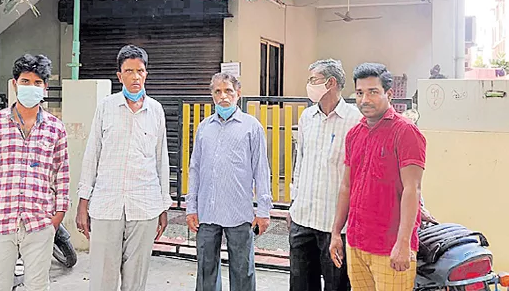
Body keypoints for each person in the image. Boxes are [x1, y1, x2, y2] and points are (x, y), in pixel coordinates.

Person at [0, 54, 70, 291]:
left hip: (39, 224)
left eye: (37, 83)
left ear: (45, 87)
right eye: (25, 81)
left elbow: (62, 174)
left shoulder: (55, 128)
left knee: (37, 287)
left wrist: (58, 215)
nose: (30, 87)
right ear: (15, 84)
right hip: (0, 223)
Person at [76, 45, 171, 291]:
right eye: (129, 70)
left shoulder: (156, 111)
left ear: (146, 73)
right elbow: (92, 155)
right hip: (107, 205)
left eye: (140, 70)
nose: (135, 76)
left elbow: (161, 160)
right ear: (119, 76)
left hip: (145, 205)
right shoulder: (106, 107)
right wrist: (83, 203)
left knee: (135, 280)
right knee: (102, 280)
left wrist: (163, 206)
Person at [330, 63, 427, 291]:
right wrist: (336, 233)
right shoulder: (355, 134)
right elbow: (346, 187)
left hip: (391, 247)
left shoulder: (406, 133)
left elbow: (412, 190)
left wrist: (404, 243)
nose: (365, 99)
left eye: (373, 92)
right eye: (360, 93)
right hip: (356, 243)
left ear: (389, 94)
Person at [186, 72, 273, 291]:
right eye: (218, 91)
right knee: (206, 272)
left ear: (238, 94)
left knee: (243, 271)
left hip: (239, 213)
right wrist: (191, 207)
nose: (223, 96)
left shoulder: (252, 127)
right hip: (207, 212)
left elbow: (261, 170)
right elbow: (194, 168)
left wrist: (263, 210)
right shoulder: (204, 128)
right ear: (212, 95)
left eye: (228, 91)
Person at [288, 59, 361, 291]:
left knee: (336, 285)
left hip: (335, 226)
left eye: (313, 80)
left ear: (330, 83)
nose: (309, 85)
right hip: (303, 219)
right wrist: (293, 203)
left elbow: (358, 176)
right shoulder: (306, 118)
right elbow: (300, 163)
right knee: (300, 285)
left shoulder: (355, 120)